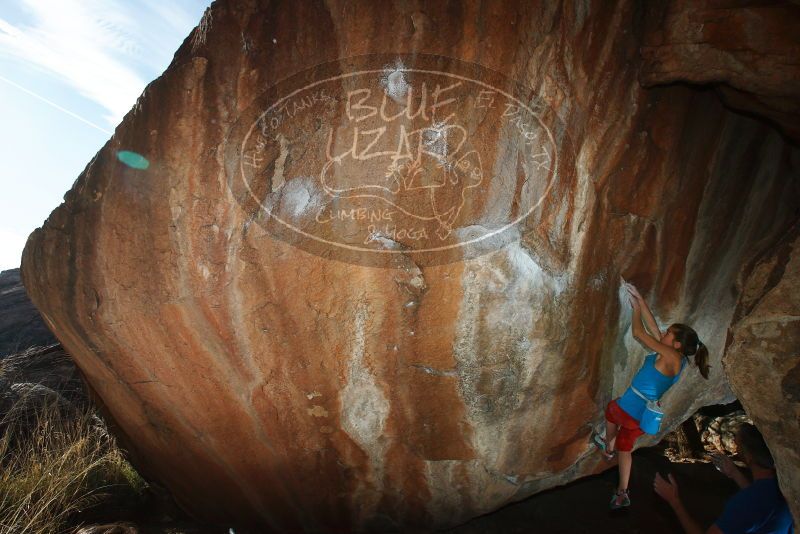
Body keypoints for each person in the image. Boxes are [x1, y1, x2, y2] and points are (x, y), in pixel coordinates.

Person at [594, 280, 710, 509]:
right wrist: (640, 298)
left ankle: (607, 447)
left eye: (669, 333)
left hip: (631, 406)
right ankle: (622, 492)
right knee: (626, 448)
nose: (663, 333)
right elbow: (654, 329)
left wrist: (635, 310)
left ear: (675, 344)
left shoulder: (671, 356)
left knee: (611, 412)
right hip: (643, 415)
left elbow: (639, 331)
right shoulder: (677, 358)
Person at [654, 423, 794, 534]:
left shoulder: (746, 503)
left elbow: (752, 505)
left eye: (738, 447)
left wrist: (674, 500)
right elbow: (760, 504)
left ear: (749, 457)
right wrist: (735, 473)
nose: (737, 450)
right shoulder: (784, 486)